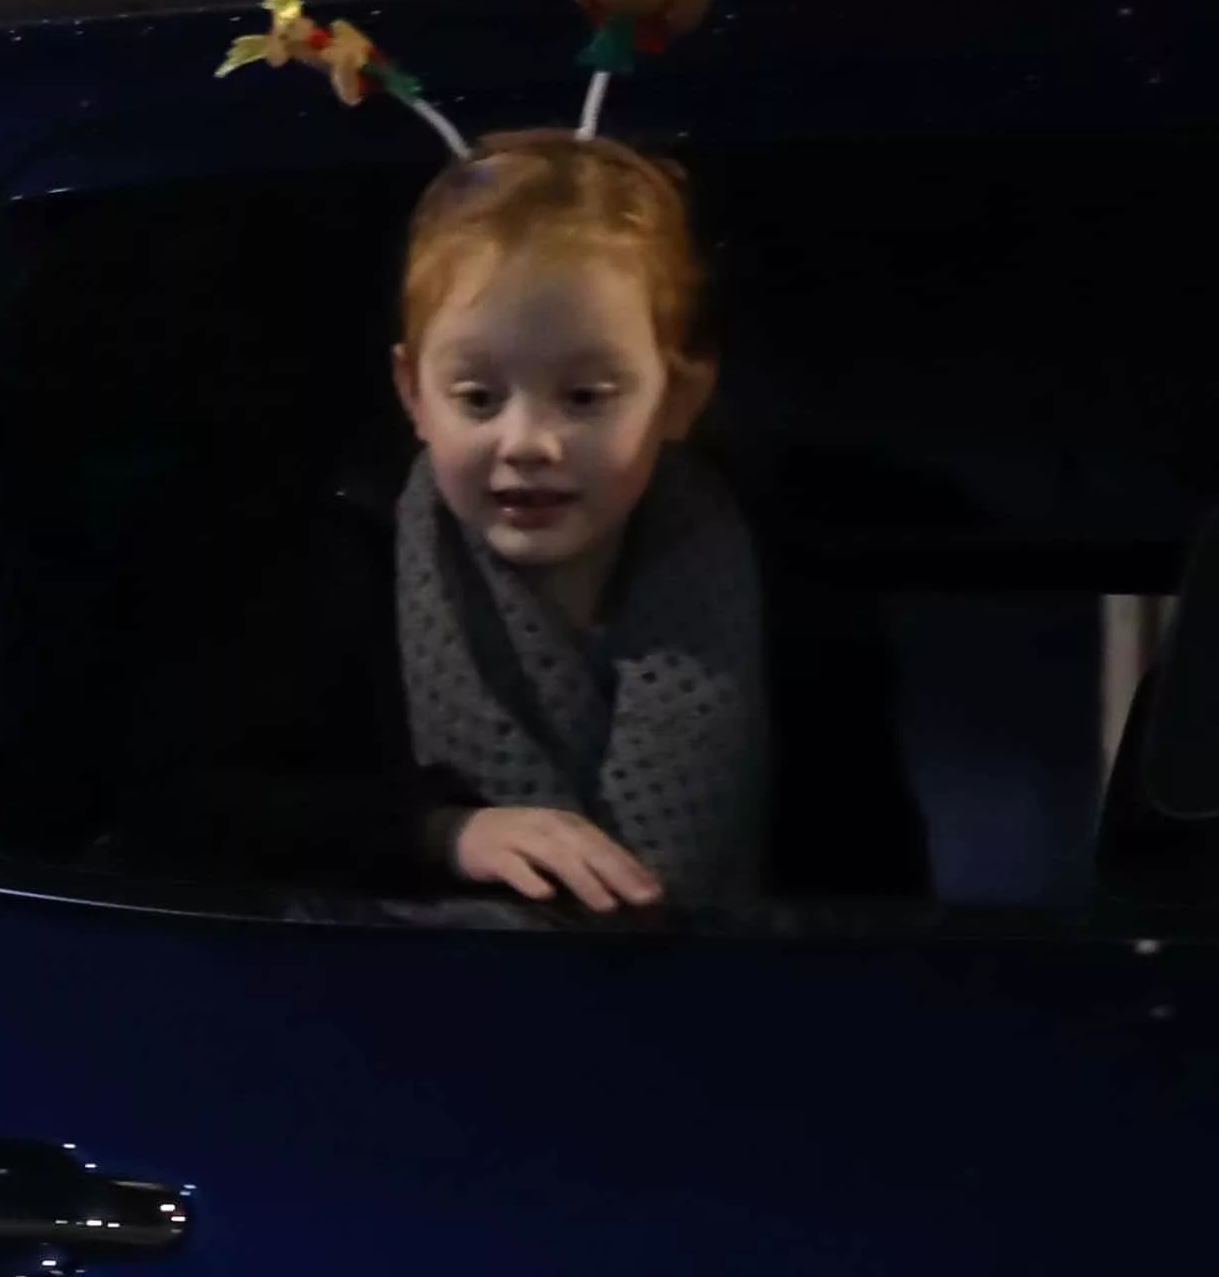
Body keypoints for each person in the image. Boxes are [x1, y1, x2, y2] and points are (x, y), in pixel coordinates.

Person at [145, 131, 767, 913]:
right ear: (414, 392)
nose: (527, 442)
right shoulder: (341, 577)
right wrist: (440, 832)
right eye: (478, 397)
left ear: (677, 395)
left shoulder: (787, 590)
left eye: (584, 397)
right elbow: (188, 813)